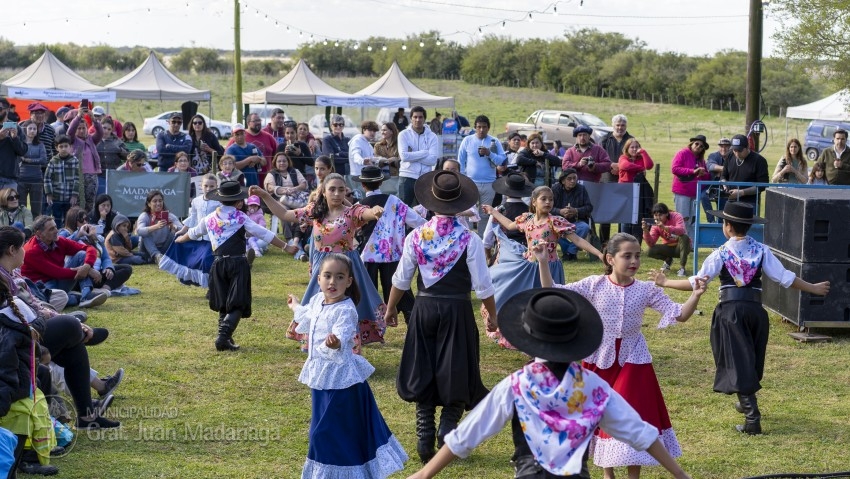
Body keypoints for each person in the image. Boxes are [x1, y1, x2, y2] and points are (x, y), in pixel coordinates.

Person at [406, 287, 692, 479]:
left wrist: (424, 474)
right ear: (578, 338)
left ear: (527, 339)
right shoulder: (591, 386)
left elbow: (467, 435)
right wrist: (681, 475)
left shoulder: (517, 384)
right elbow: (640, 433)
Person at [652, 201, 830, 435]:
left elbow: (697, 281)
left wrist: (665, 282)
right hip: (756, 311)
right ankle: (745, 399)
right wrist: (813, 288)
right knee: (751, 360)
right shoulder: (762, 250)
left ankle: (752, 418)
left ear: (726, 226)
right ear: (749, 226)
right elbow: (784, 278)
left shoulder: (721, 253)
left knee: (736, 361)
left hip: (730, 311)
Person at [535, 233, 704, 478]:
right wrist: (542, 262)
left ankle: (632, 475)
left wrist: (695, 295)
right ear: (610, 259)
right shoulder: (594, 284)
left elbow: (679, 314)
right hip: (598, 357)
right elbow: (553, 291)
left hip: (634, 359)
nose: (634, 261)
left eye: (637, 255)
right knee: (600, 413)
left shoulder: (646, 290)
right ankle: (608, 472)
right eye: (627, 256)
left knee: (632, 414)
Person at [382, 169, 497, 464]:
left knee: (424, 364)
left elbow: (402, 278)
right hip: (456, 308)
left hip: (424, 307)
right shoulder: (469, 240)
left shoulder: (417, 236)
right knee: (457, 365)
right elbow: (483, 284)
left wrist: (392, 307)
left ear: (431, 203)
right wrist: (492, 316)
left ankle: (424, 433)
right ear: (461, 205)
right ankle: (448, 426)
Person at [286, 253, 408, 477]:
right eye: (328, 276)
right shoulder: (317, 300)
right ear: (318, 278)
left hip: (342, 382)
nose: (333, 282)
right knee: (323, 430)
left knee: (325, 432)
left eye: (340, 277)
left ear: (349, 281)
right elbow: (310, 315)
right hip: (321, 380)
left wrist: (335, 344)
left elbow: (342, 336)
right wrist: (295, 307)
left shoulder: (346, 309)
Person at [252, 174, 388, 346]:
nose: (337, 194)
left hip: (345, 269)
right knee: (320, 307)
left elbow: (367, 212)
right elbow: (285, 214)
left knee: (346, 308)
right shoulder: (314, 212)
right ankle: (319, 343)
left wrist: (374, 210)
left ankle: (347, 344)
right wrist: (265, 195)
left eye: (341, 190)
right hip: (321, 270)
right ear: (323, 192)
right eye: (332, 189)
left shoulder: (352, 212)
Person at [177, 181, 285, 351]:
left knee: (224, 302)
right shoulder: (241, 217)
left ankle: (225, 338)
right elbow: (263, 233)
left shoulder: (210, 218)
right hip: (238, 262)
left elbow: (192, 233)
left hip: (218, 263)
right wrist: (286, 246)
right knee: (238, 303)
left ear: (220, 200)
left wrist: (178, 241)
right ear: (239, 202)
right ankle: (222, 337)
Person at [482, 185, 604, 330]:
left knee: (549, 302)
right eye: (544, 199)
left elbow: (577, 240)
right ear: (534, 202)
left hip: (550, 268)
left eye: (551, 200)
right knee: (527, 300)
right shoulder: (527, 219)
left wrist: (599, 253)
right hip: (530, 267)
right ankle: (526, 329)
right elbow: (509, 225)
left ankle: (548, 330)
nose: (548, 202)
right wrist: (493, 212)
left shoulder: (555, 221)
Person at [353, 166, 426, 322]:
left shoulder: (359, 206)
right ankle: (410, 317)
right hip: (392, 253)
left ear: (363, 185)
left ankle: (368, 323)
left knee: (367, 290)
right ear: (381, 183)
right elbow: (417, 221)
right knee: (399, 287)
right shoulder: (394, 201)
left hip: (367, 254)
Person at [20, 216, 107, 308]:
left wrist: (87, 266)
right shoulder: (31, 251)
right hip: (40, 288)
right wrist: (88, 270)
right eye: (51, 229)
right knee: (64, 300)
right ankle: (76, 297)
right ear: (39, 234)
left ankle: (86, 295)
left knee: (81, 254)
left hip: (56, 281)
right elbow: (57, 273)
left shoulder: (58, 241)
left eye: (56, 227)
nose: (56, 231)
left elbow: (90, 248)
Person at [162, 175, 220, 287]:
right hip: (197, 235)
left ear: (217, 186)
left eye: (212, 186)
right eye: (206, 186)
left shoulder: (219, 202)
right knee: (191, 257)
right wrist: (183, 231)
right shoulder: (196, 201)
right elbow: (193, 219)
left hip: (212, 238)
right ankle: (189, 278)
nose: (208, 189)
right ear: (201, 186)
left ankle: (211, 286)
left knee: (206, 261)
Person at [458, 115, 507, 235]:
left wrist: (489, 153)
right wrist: (463, 178)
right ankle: (466, 237)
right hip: (470, 183)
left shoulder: (494, 141)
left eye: (484, 127)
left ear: (488, 128)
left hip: (489, 183)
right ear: (475, 128)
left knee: (485, 214)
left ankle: (481, 241)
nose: (481, 130)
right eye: (479, 127)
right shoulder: (467, 140)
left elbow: (502, 160)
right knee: (468, 212)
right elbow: (460, 161)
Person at [397, 106, 440, 207]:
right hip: (406, 177)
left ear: (424, 119)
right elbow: (404, 156)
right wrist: (424, 152)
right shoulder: (403, 134)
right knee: (403, 210)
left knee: (424, 211)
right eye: (415, 117)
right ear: (411, 118)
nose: (418, 120)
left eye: (420, 117)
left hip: (425, 178)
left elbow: (433, 160)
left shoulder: (432, 136)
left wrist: (412, 155)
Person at [670, 135, 711, 242]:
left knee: (693, 219)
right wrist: (692, 171)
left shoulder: (701, 160)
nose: (698, 147)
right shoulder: (682, 153)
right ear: (691, 144)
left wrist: (704, 173)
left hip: (694, 193)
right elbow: (675, 169)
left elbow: (706, 176)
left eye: (701, 146)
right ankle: (679, 243)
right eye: (696, 144)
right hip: (682, 191)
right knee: (682, 218)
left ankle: (691, 244)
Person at [618, 138, 655, 243]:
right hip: (625, 191)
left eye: (637, 147)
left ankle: (635, 241)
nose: (634, 149)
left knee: (637, 216)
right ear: (627, 148)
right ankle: (623, 241)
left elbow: (649, 166)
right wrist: (640, 168)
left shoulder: (641, 157)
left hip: (639, 191)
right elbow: (624, 165)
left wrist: (643, 152)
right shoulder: (623, 157)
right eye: (632, 147)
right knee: (625, 217)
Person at [552, 168, 594, 262]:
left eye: (575, 178)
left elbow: (589, 207)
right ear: (563, 181)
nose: (573, 181)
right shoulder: (555, 189)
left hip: (576, 221)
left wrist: (576, 210)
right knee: (550, 229)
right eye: (569, 179)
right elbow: (548, 208)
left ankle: (571, 251)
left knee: (585, 227)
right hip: (559, 222)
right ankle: (569, 251)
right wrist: (560, 211)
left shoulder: (581, 188)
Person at [68, 107, 102, 212]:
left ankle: (88, 223)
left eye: (84, 128)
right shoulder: (72, 140)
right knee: (77, 203)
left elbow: (100, 132)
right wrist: (78, 117)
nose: (82, 130)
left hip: (92, 176)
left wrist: (93, 119)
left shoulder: (91, 140)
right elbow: (70, 131)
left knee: (90, 203)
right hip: (78, 176)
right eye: (79, 128)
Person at [722, 134, 769, 210]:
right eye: (734, 150)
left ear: (747, 147)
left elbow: (763, 185)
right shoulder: (730, 156)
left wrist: (741, 192)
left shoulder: (759, 160)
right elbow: (723, 176)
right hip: (731, 201)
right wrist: (725, 186)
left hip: (750, 203)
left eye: (740, 150)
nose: (737, 154)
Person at [135, 190, 182, 264]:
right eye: (155, 201)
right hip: (146, 249)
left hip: (163, 248)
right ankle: (156, 256)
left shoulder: (168, 215)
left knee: (174, 233)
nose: (158, 203)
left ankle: (158, 257)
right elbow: (139, 231)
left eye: (160, 201)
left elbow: (182, 229)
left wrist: (173, 226)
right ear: (149, 204)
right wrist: (156, 226)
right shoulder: (145, 216)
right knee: (145, 234)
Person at [643, 203, 690, 277]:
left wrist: (665, 228)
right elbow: (651, 243)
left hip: (682, 246)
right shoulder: (655, 225)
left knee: (684, 237)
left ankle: (682, 268)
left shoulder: (677, 216)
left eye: (660, 215)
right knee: (649, 250)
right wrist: (645, 231)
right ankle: (668, 260)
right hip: (668, 247)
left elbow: (681, 230)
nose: (658, 218)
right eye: (655, 215)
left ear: (667, 214)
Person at [43, 135, 80, 228]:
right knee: (57, 219)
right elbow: (47, 178)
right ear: (56, 148)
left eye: (66, 146)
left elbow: (77, 178)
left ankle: (67, 237)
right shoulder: (53, 161)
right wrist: (49, 194)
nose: (64, 149)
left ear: (70, 147)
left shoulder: (74, 161)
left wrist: (74, 195)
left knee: (69, 219)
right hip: (56, 197)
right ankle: (57, 236)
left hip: (69, 197)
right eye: (61, 146)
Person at [17, 121, 47, 217]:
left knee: (36, 208)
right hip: (21, 178)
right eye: (30, 128)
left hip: (36, 179)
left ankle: (36, 229)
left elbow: (43, 160)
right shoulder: (20, 144)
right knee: (21, 208)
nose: (32, 131)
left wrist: (28, 160)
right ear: (25, 130)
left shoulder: (40, 145)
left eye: (34, 129)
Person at [702, 137, 733, 223]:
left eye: (726, 146)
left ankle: (720, 224)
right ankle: (711, 220)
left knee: (723, 200)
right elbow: (710, 166)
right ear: (718, 147)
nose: (724, 148)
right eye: (721, 146)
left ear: (730, 147)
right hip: (713, 184)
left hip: (727, 186)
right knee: (703, 196)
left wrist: (719, 170)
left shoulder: (733, 156)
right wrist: (726, 170)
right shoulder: (713, 155)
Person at [95, 118, 128, 195]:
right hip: (98, 176)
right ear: (100, 126)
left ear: (112, 130)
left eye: (109, 129)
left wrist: (119, 150)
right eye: (104, 128)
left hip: (114, 176)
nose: (106, 131)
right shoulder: (94, 139)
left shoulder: (117, 141)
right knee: (100, 198)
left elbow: (127, 156)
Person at [348, 120, 380, 193]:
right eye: (370, 130)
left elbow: (372, 159)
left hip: (366, 176)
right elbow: (355, 155)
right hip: (358, 176)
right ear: (364, 130)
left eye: (374, 131)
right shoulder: (357, 140)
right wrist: (362, 161)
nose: (372, 133)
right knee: (361, 200)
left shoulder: (367, 144)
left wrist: (382, 160)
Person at [373, 122, 401, 195]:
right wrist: (383, 160)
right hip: (382, 179)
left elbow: (403, 159)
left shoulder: (400, 145)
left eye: (385, 130)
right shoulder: (378, 145)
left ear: (392, 131)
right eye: (381, 130)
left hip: (396, 178)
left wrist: (396, 160)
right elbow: (375, 161)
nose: (382, 132)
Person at [0, 113, 26, 191]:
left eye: (1, 108)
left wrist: (15, 138)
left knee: (11, 202)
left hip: (10, 178)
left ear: (7, 110)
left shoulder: (16, 127)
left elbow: (22, 151)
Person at [322, 115, 352, 179]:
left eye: (341, 124)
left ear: (343, 126)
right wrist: (348, 158)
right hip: (334, 174)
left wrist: (340, 154)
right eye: (335, 124)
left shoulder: (348, 140)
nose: (338, 127)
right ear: (331, 126)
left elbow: (352, 156)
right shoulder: (327, 140)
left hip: (349, 173)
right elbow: (330, 159)